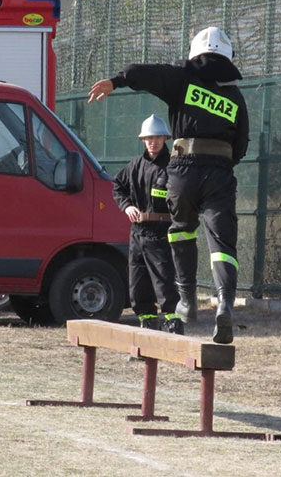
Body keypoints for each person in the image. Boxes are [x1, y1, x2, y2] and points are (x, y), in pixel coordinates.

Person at [89, 27, 249, 344]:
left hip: (183, 171)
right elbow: (241, 145)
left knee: (181, 228)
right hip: (219, 172)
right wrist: (219, 168)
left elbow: (142, 73)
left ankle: (187, 297)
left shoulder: (182, 79)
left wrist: (116, 81)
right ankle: (225, 305)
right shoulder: (235, 96)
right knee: (222, 246)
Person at [112, 115, 183, 334]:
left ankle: (173, 326)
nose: (153, 142)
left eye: (157, 138)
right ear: (143, 140)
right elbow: (117, 186)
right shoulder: (135, 165)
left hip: (161, 234)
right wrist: (127, 207)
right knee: (137, 285)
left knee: (164, 284)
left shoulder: (173, 166)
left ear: (165, 138)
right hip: (137, 234)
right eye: (149, 138)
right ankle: (148, 327)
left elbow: (186, 196)